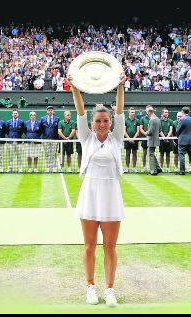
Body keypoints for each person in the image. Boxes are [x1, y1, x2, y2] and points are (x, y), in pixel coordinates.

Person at [68, 70, 126, 308]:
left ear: (110, 123)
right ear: (91, 124)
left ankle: (110, 290)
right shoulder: (86, 137)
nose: (102, 124)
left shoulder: (117, 137)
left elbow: (120, 111)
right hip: (90, 194)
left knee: (110, 246)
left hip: (111, 195)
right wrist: (74, 87)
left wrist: (121, 86)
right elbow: (80, 111)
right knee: (90, 246)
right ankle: (90, 287)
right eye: (98, 121)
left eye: (105, 121)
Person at [175, 106, 191, 175]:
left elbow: (177, 130)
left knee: (181, 155)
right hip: (190, 139)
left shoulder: (182, 119)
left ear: (182, 112)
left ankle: (182, 171)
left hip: (182, 139)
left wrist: (178, 136)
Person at [40, 106, 61, 173]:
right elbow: (41, 129)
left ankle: (54, 167)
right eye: (49, 110)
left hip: (55, 139)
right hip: (46, 139)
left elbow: (58, 129)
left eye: (51, 110)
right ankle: (47, 167)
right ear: (47, 111)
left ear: (53, 111)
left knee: (54, 154)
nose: (50, 111)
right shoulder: (42, 119)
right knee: (47, 154)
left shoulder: (57, 119)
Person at [144, 105, 162, 176]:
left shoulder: (152, 119)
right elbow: (160, 129)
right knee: (152, 154)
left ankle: (153, 171)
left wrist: (146, 133)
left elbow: (150, 131)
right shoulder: (157, 119)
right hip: (156, 139)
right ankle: (158, 168)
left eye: (147, 112)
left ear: (149, 112)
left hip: (152, 140)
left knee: (151, 155)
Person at [123, 108, 140, 173]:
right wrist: (129, 138)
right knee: (127, 153)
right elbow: (124, 131)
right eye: (132, 112)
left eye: (134, 112)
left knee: (134, 154)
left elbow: (138, 131)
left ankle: (134, 168)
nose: (133, 113)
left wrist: (133, 138)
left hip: (135, 140)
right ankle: (127, 168)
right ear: (129, 113)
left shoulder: (137, 121)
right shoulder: (125, 120)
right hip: (127, 140)